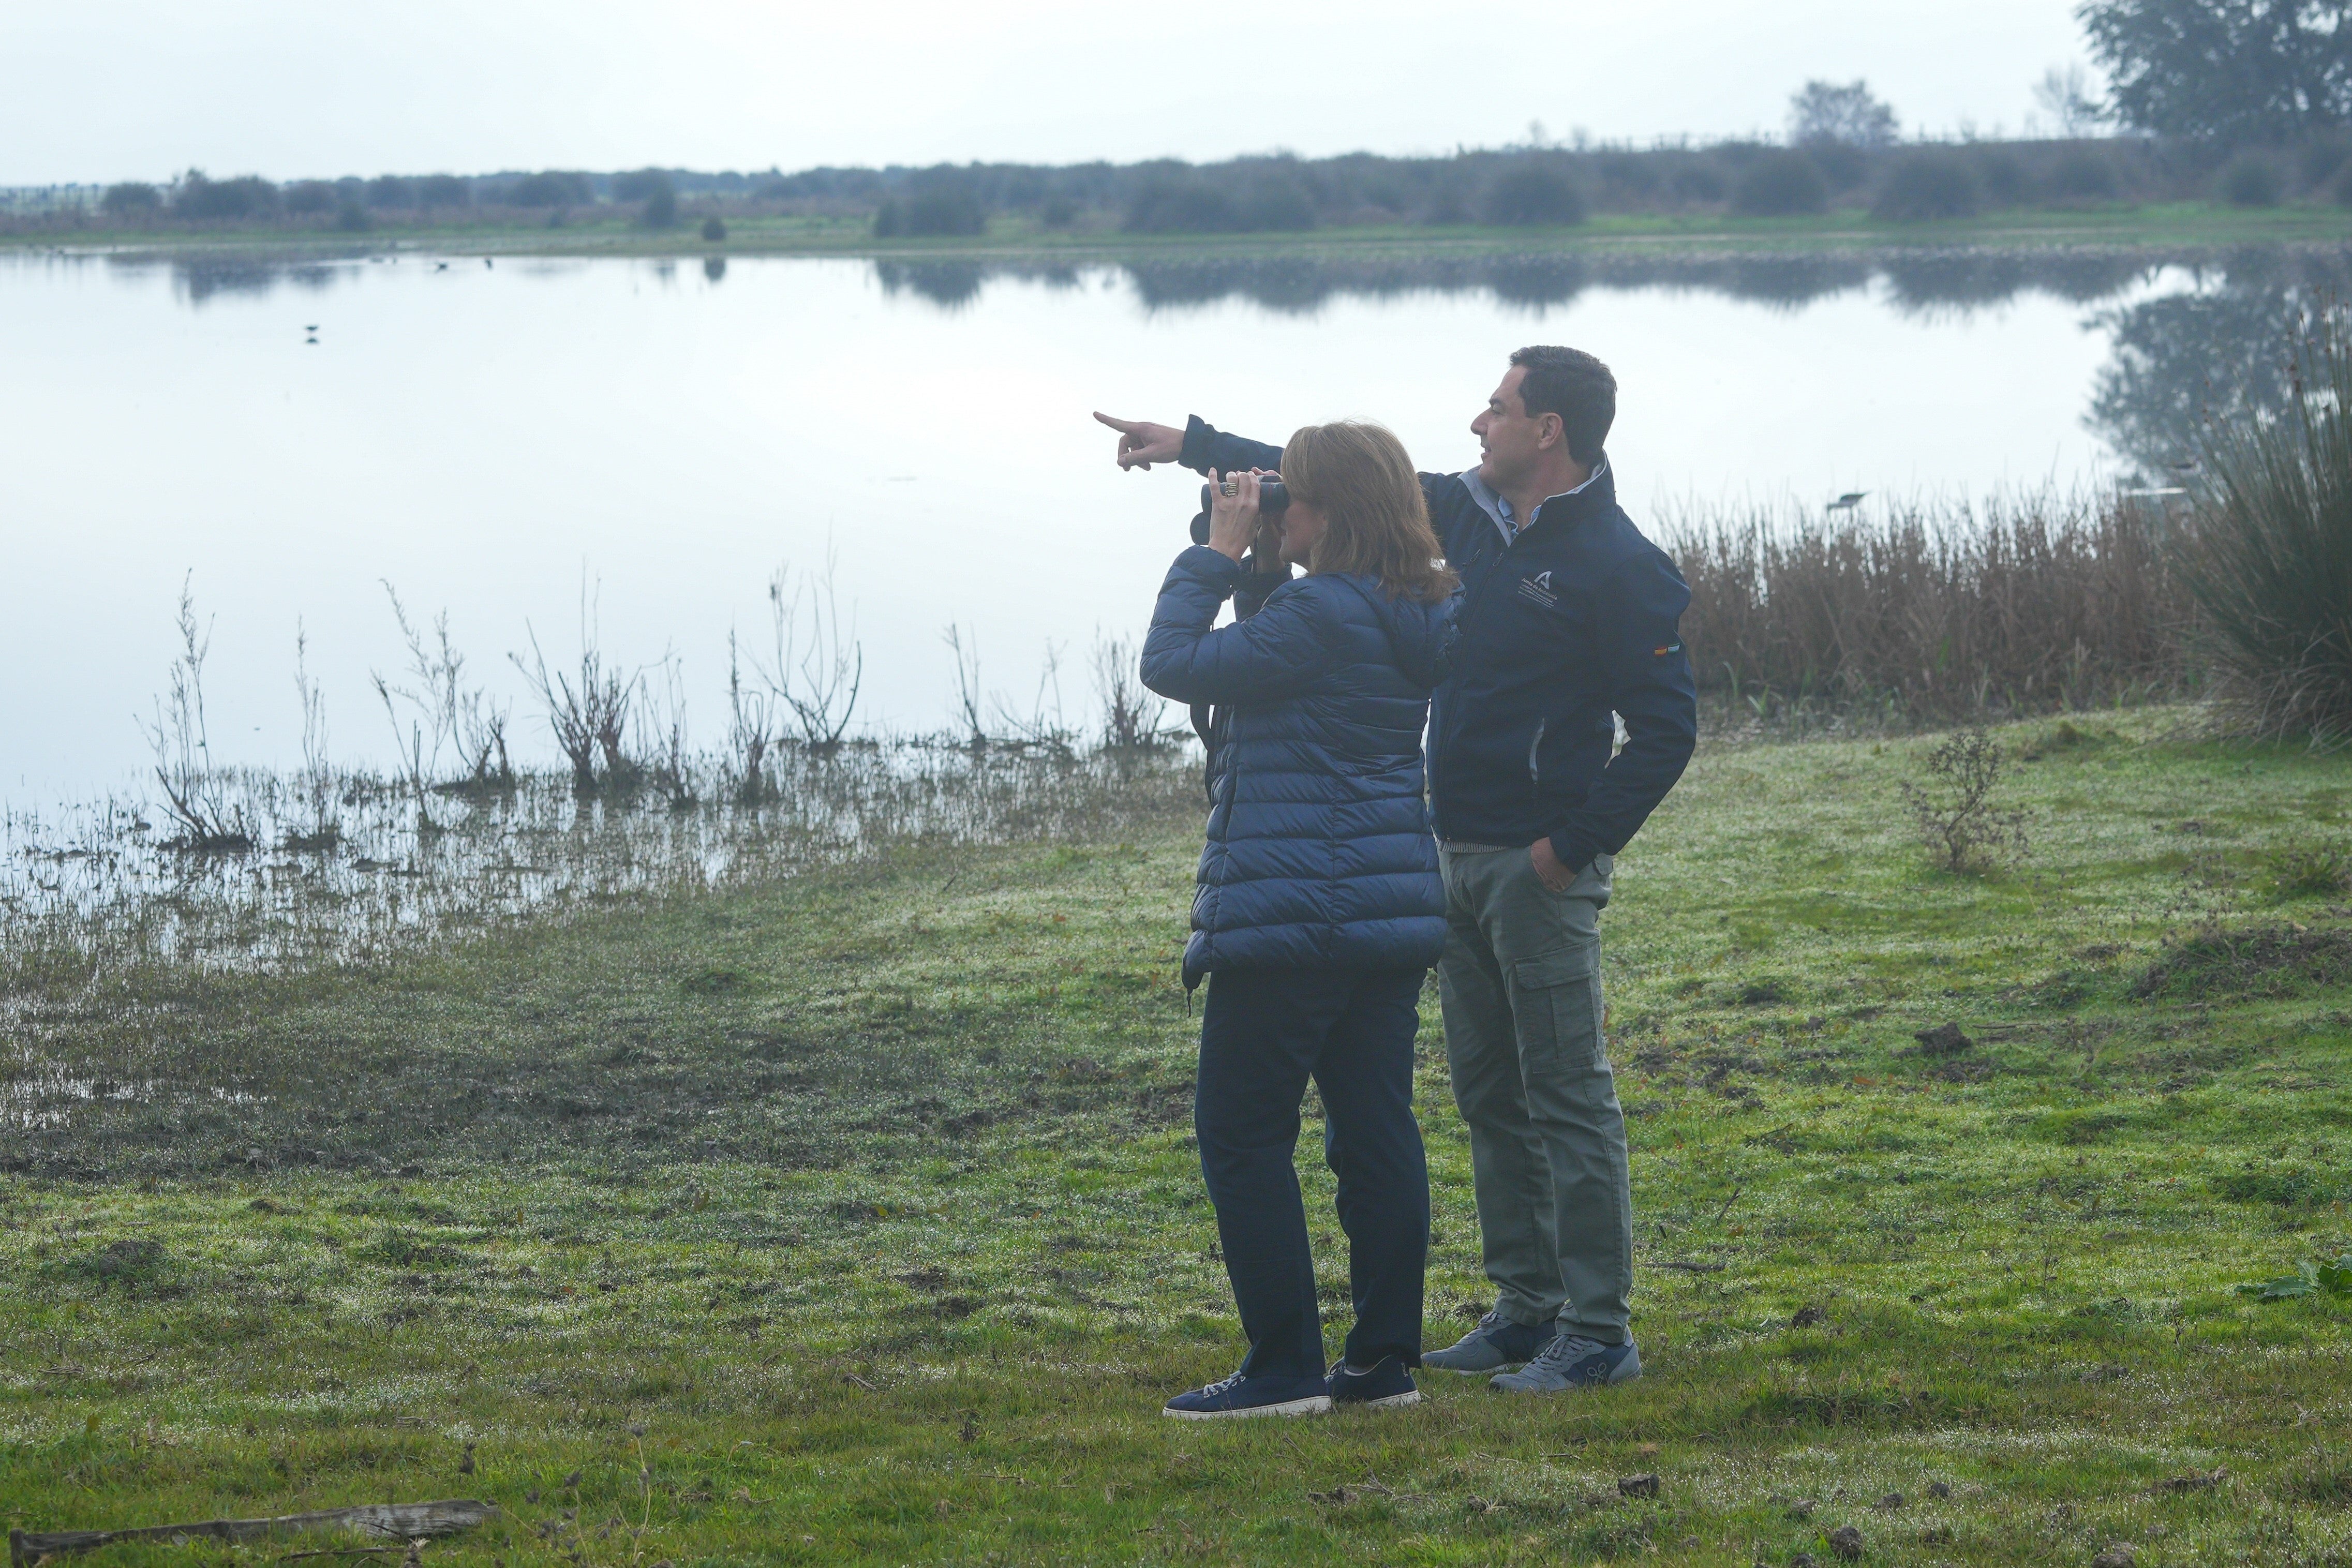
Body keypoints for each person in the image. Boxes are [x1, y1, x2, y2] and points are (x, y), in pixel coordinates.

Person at [1099, 345, 1697, 1395]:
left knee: (1565, 1095)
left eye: (1496, 407)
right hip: (1433, 858)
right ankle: (1521, 1309)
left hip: (1531, 862)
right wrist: (1193, 445)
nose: (1476, 422)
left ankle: (1596, 1330)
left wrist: (1571, 845)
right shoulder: (1457, 520)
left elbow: (1665, 729)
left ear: (1547, 428)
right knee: (1485, 1098)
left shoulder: (1615, 561)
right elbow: (1326, 476)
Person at [1138, 420, 1455, 1420]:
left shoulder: (1318, 613)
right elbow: (1285, 663)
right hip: (1384, 911)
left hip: (1291, 915)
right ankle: (1380, 1366)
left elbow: (1172, 662)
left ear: (1330, 510)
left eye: (1293, 493)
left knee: (1241, 1134)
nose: (1282, 506)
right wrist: (1263, 566)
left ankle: (1281, 1369)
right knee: (1374, 1131)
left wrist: (1215, 553)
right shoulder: (1412, 604)